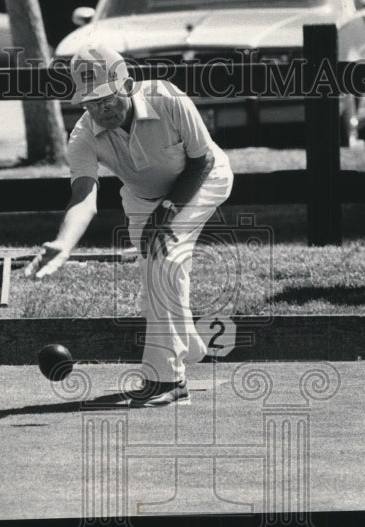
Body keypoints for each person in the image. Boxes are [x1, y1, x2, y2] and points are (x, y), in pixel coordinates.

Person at [26, 44, 233, 407]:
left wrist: (168, 211)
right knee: (161, 271)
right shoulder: (83, 136)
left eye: (106, 98)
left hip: (203, 180)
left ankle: (166, 379)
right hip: (141, 199)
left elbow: (201, 162)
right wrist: (63, 243)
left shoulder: (168, 98)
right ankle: (190, 347)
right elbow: (83, 197)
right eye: (90, 103)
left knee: (162, 259)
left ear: (126, 85)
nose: (100, 110)